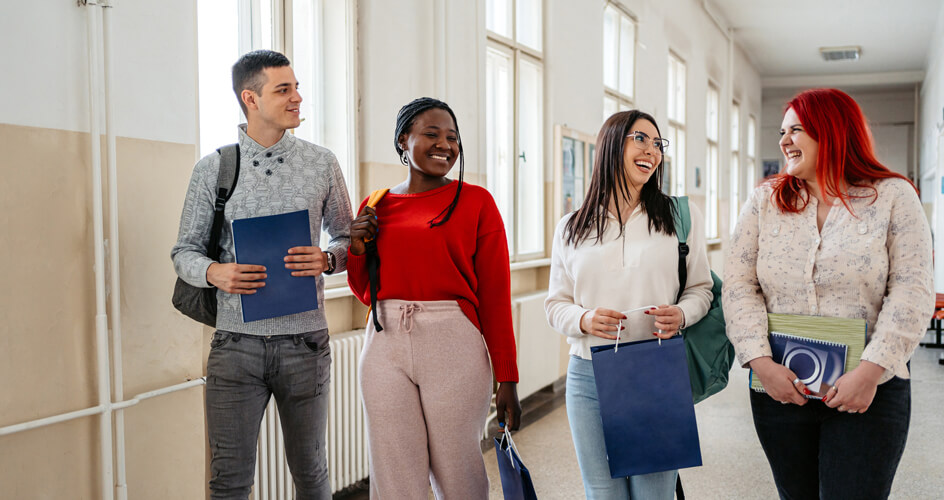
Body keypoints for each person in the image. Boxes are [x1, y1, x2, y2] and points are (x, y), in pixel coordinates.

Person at [723, 88, 933, 499]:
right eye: (782, 131)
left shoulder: (892, 196)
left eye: (796, 129)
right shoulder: (765, 201)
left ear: (833, 131)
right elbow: (738, 285)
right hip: (781, 388)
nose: (784, 141)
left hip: (868, 391)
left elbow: (912, 290)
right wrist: (761, 363)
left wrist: (870, 373)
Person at [171, 50, 352, 499]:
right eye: (284, 89)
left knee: (311, 473)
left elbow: (349, 240)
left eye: (296, 87)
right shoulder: (213, 169)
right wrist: (216, 272)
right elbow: (183, 253)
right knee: (229, 481)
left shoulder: (322, 163)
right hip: (235, 347)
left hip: (306, 344)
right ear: (250, 98)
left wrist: (328, 259)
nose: (297, 97)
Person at [346, 97, 521, 499]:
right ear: (403, 140)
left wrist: (506, 377)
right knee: (394, 475)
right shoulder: (376, 204)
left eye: (452, 137)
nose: (445, 144)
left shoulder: (477, 202)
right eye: (431, 134)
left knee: (457, 472)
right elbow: (366, 292)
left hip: (452, 344)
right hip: (385, 342)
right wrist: (356, 247)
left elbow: (495, 295)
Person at [545, 110, 713, 499]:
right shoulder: (572, 226)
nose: (651, 151)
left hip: (656, 370)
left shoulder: (679, 216)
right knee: (603, 493)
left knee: (654, 493)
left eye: (658, 144)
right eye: (641, 139)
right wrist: (584, 319)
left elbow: (702, 289)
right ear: (611, 144)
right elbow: (556, 303)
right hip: (589, 375)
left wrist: (682, 314)